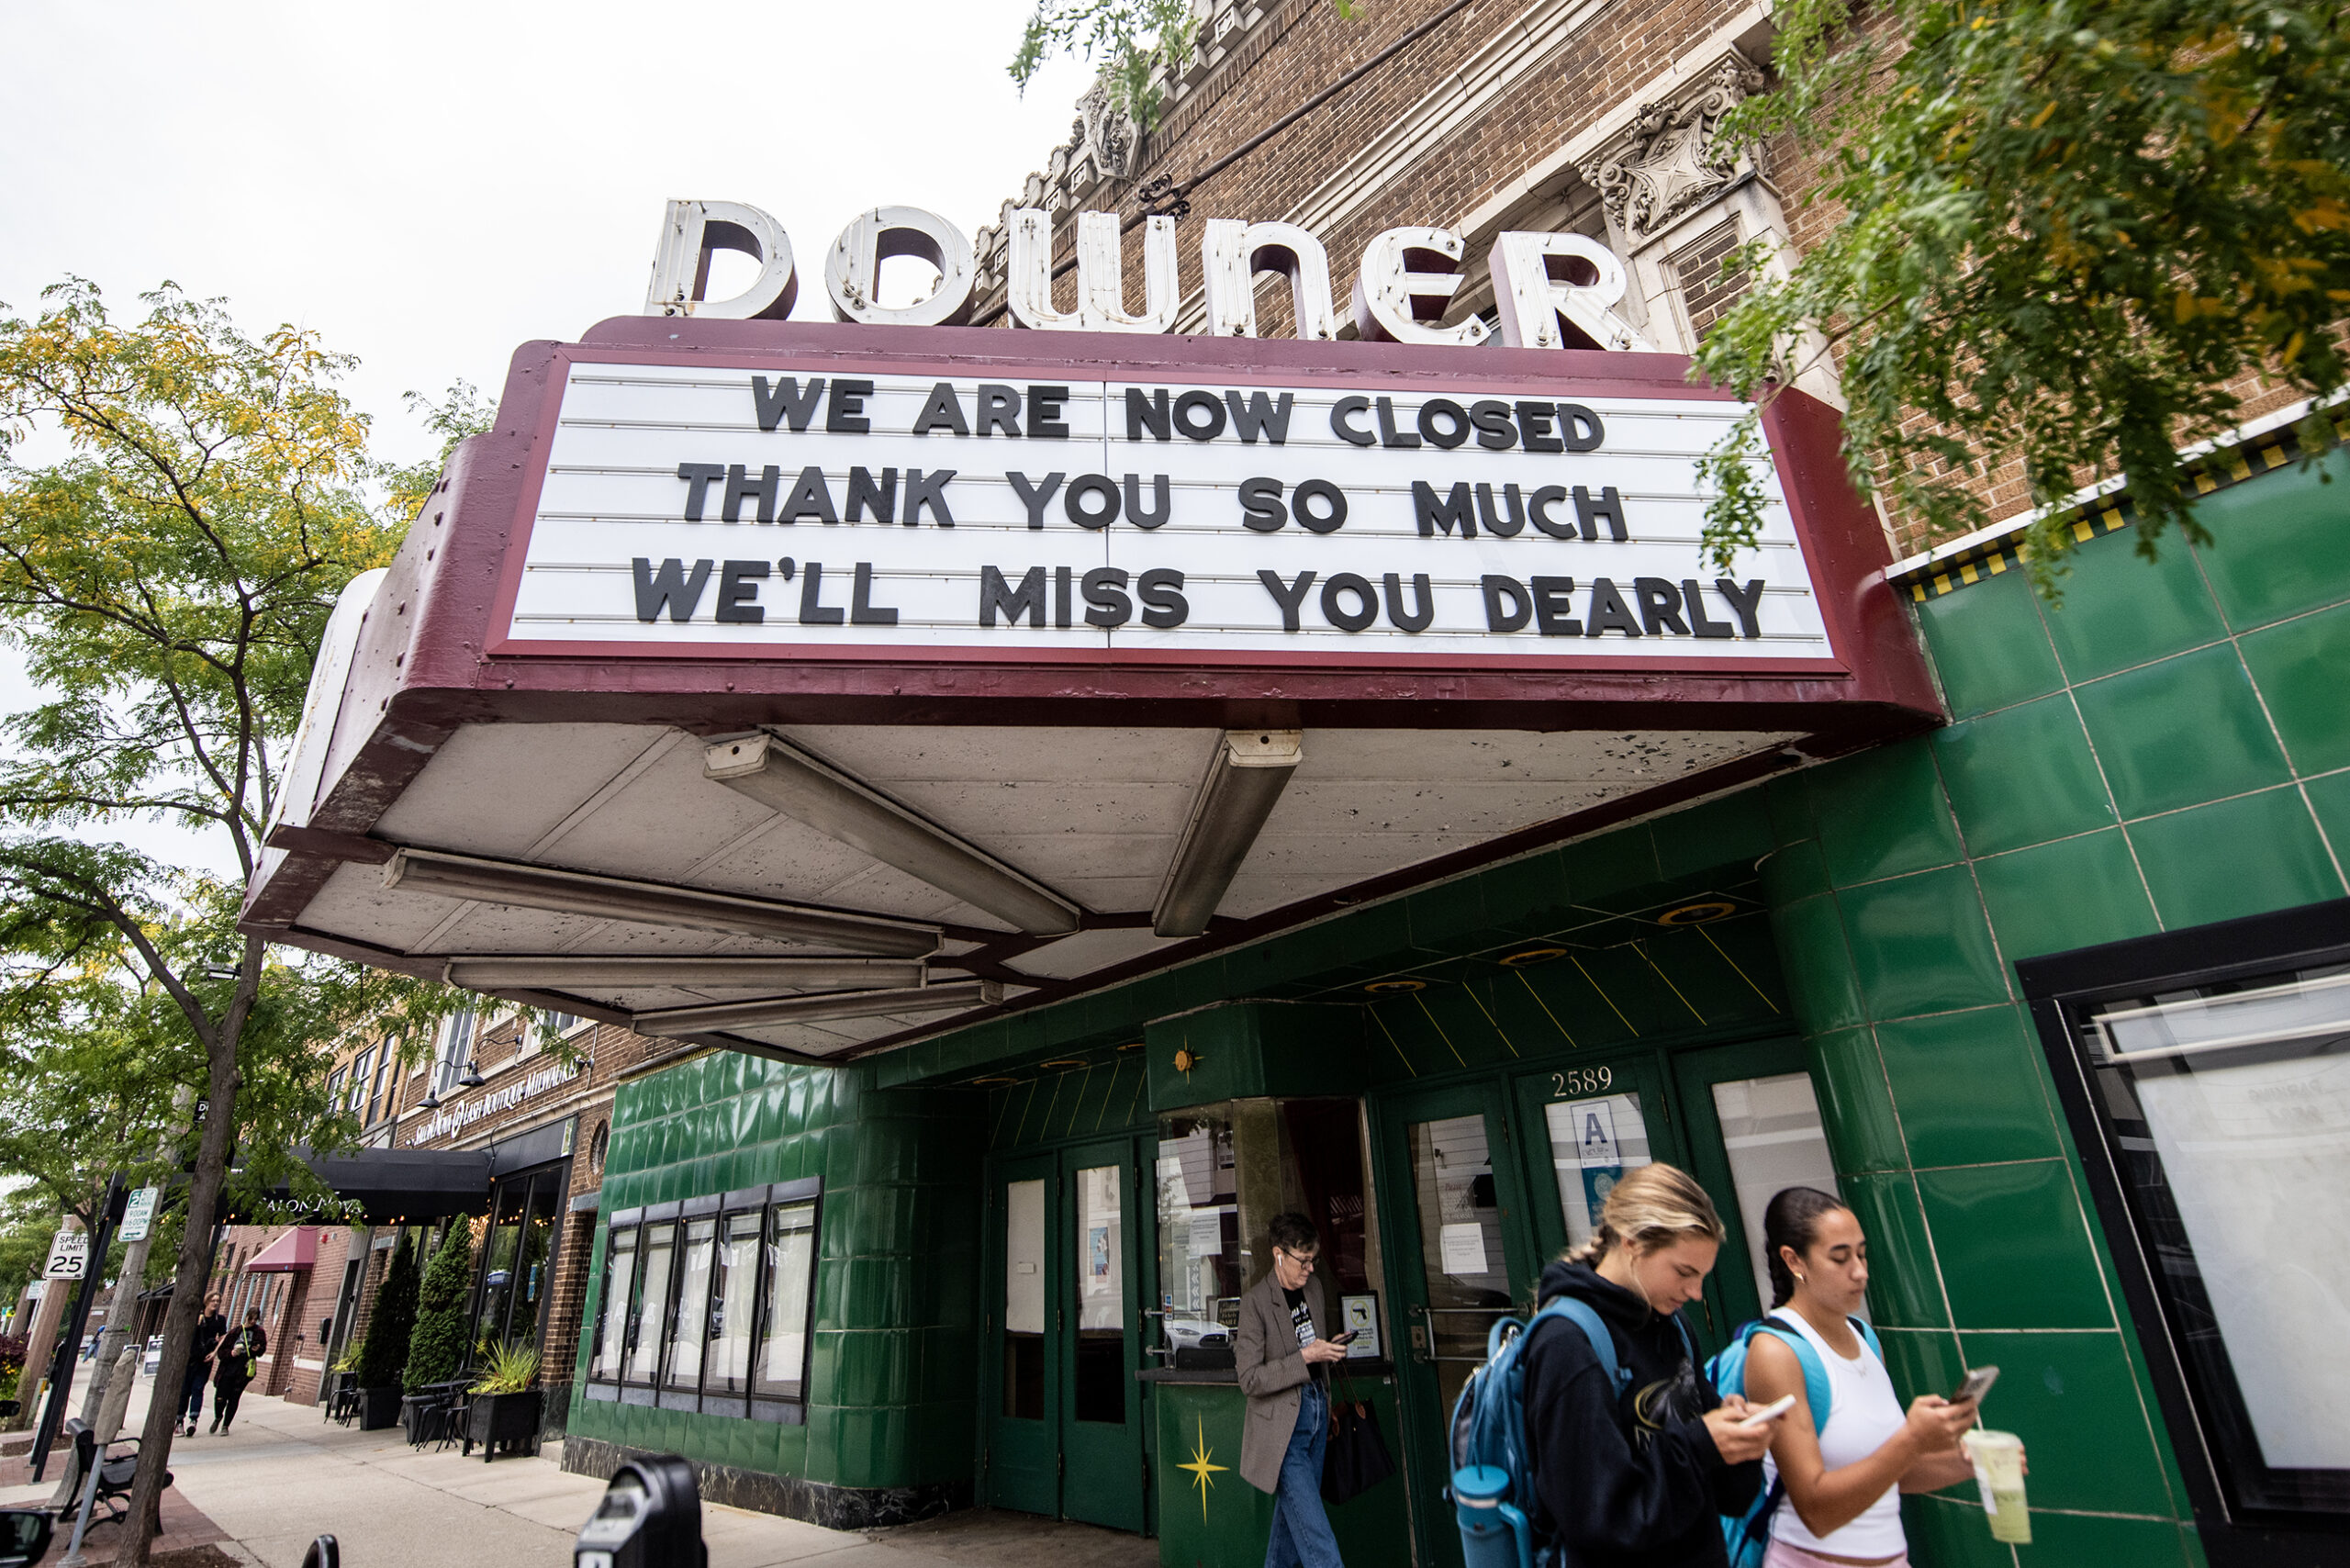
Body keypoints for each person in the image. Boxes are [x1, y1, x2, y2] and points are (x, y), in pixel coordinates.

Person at [1521, 1163, 1774, 1568]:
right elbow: (1602, 1518)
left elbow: (1728, 1496)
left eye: (1703, 1277)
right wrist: (1701, 1445)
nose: (1695, 1292)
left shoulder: (1672, 1324)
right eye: (1684, 1272)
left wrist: (1738, 1442)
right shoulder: (1567, 1345)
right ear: (1633, 1243)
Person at [1743, 1187, 1986, 1568]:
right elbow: (1816, 1509)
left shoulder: (1865, 1338)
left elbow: (1889, 1476)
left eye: (1861, 1253)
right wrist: (1912, 1439)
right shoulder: (1776, 1352)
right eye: (1840, 1258)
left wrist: (1971, 1462)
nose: (1860, 1272)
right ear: (1794, 1261)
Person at [1236, 1212, 1350, 1568]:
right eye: (1303, 1261)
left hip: (1316, 1416)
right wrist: (1306, 1357)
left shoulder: (1312, 1290)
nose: (1310, 1269)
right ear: (1278, 1254)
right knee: (1317, 1537)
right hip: (1282, 1435)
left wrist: (1326, 1351)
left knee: (1290, 1531)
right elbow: (1249, 1379)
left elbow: (1312, 1350)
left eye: (1313, 1260)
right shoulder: (1255, 1303)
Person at [210, 1308, 266, 1434]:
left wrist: (257, 1349)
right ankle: (218, 1416)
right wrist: (231, 1353)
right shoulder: (235, 1332)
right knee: (220, 1398)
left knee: (234, 1399)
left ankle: (226, 1426)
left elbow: (262, 1350)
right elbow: (221, 1352)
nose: (252, 1321)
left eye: (255, 1319)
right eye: (250, 1318)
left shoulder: (259, 1333)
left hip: (243, 1372)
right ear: (246, 1317)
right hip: (228, 1369)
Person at [183, 1294, 227, 1437]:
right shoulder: (196, 1316)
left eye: (218, 1301)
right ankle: (179, 1421)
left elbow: (223, 1336)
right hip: (190, 1358)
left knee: (198, 1388)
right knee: (184, 1391)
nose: (215, 1303)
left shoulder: (219, 1320)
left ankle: (193, 1420)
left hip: (205, 1359)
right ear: (206, 1301)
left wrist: (214, 1352)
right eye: (213, 1300)